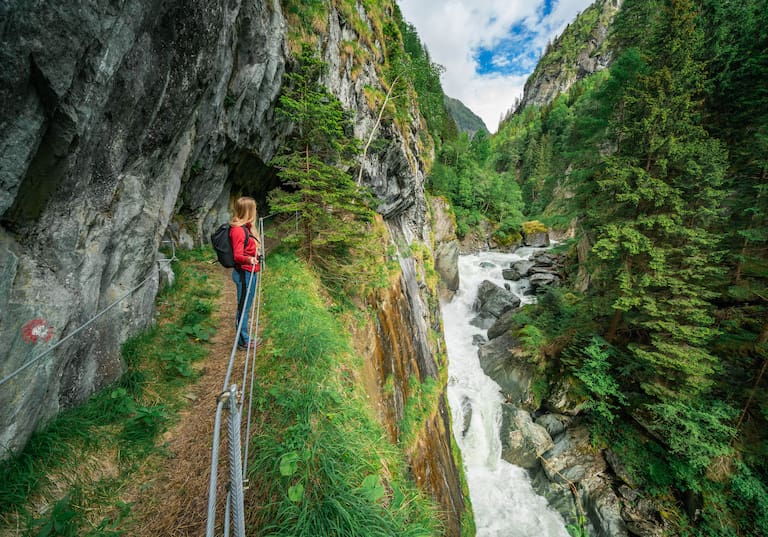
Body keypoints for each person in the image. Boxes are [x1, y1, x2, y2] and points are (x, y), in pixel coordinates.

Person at [229, 196, 261, 350]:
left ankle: (245, 338)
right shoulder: (238, 231)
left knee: (246, 306)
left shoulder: (246, 228)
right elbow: (237, 255)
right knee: (244, 307)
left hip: (250, 272)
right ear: (248, 211)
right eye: (254, 209)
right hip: (244, 274)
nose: (256, 211)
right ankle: (243, 341)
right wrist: (249, 260)